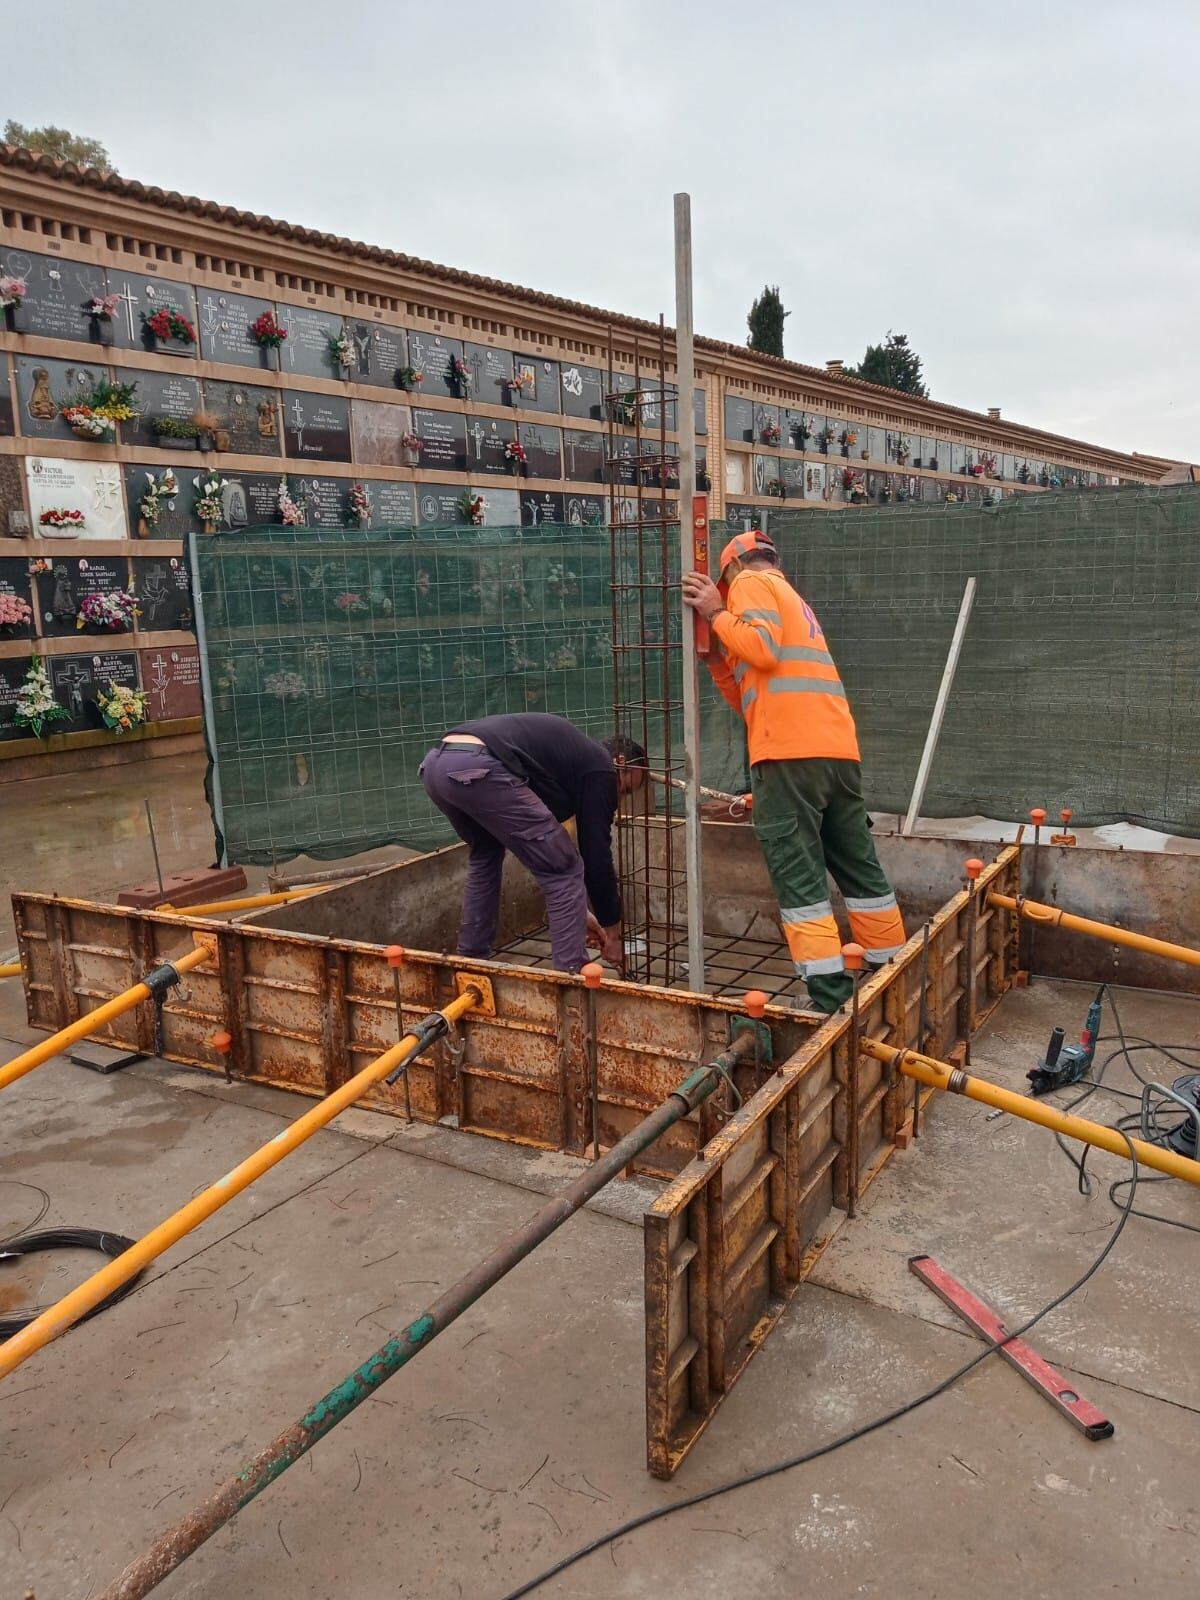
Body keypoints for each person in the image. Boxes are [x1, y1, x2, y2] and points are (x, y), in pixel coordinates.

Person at [681, 529, 905, 1012]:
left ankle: (829, 1002)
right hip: (836, 755)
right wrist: (719, 659)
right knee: (858, 868)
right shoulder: (795, 602)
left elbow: (760, 649)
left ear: (732, 570)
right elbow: (752, 697)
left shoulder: (749, 585)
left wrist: (716, 613)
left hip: (788, 758)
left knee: (800, 881)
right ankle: (892, 972)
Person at [420, 712, 645, 974]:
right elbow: (595, 857)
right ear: (619, 762)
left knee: (486, 853)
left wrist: (577, 911)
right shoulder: (601, 768)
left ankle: (471, 963)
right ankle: (569, 978)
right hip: (478, 766)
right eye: (625, 788)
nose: (617, 797)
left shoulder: (564, 762)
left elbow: (538, 850)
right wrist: (614, 933)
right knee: (564, 868)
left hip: (437, 766)